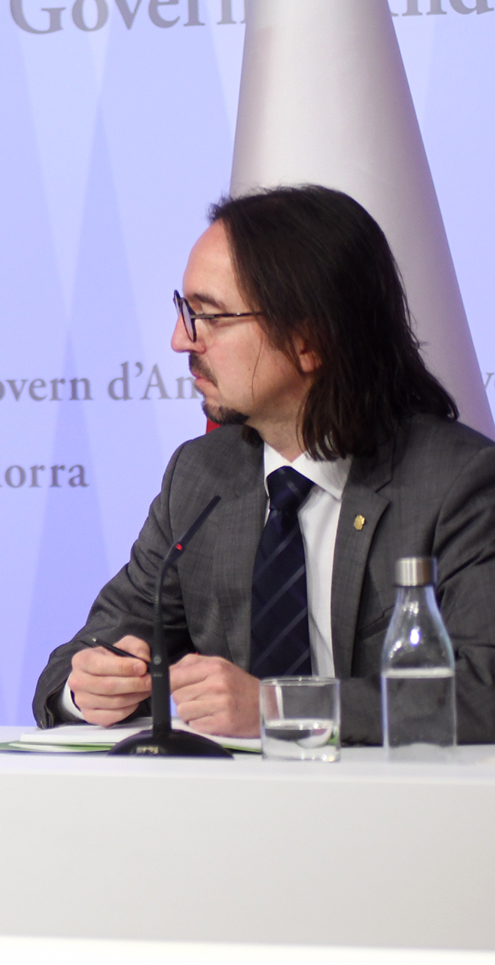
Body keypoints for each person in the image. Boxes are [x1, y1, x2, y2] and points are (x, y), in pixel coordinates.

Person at [34, 185, 495, 743]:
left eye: (209, 316)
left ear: (309, 340)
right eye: (184, 311)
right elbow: (79, 659)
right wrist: (87, 688)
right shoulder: (201, 477)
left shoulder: (457, 483)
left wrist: (280, 706)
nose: (180, 340)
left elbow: (483, 693)